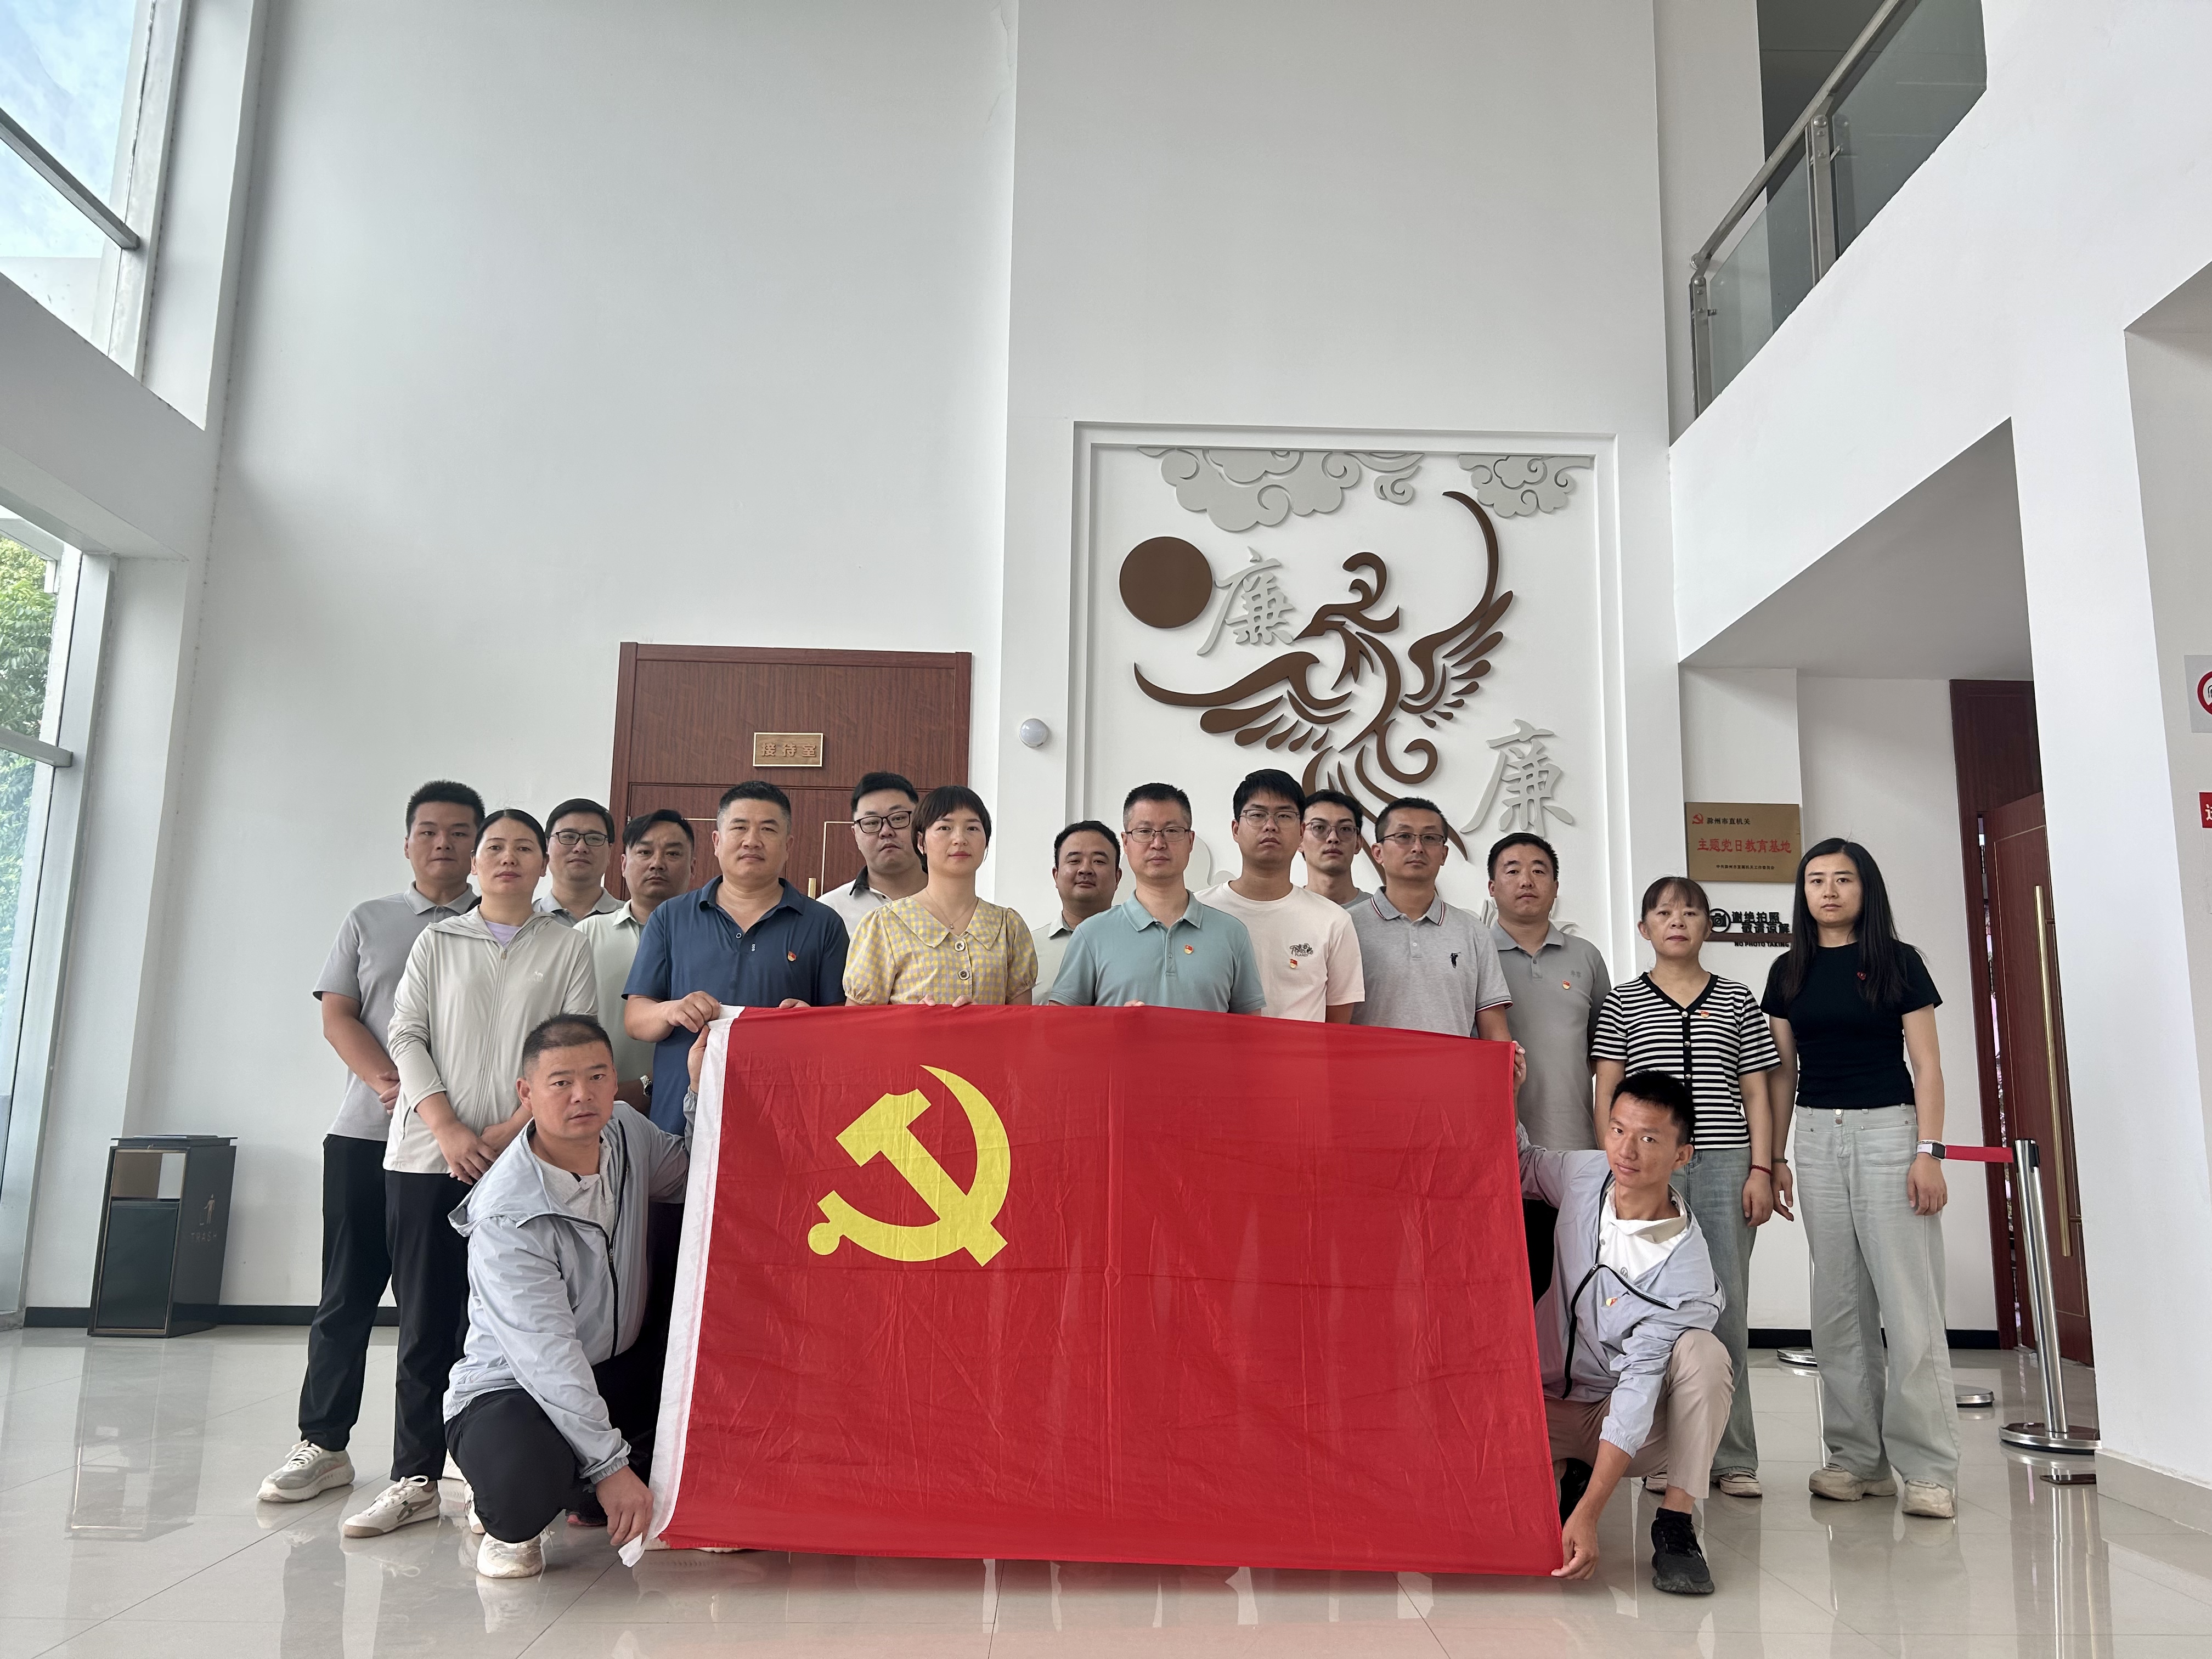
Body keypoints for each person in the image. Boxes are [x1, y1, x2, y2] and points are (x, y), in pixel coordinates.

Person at [347, 809, 598, 1539]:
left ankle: (485, 1481)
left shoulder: (567, 945)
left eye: (524, 847)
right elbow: (406, 1034)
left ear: (544, 864)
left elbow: (573, 1045)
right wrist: (449, 1129)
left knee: (509, 1324)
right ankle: (414, 1478)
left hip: (523, 1158)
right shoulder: (439, 940)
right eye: (495, 847)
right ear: (476, 863)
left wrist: (510, 1130)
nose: (509, 858)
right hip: (429, 1156)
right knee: (425, 1322)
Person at [258, 781, 484, 1507]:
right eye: (429, 831)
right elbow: (339, 1016)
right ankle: (323, 1443)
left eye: (459, 832)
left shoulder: (499, 923)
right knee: (347, 1294)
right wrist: (396, 1084)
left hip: (458, 1145)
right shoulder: (370, 919)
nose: (444, 843)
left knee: (443, 1306)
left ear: (478, 845)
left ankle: (437, 1456)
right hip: (366, 1131)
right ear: (408, 842)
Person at [444, 1013, 700, 1579]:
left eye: (597, 1076)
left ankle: (583, 1479)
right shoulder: (507, 1215)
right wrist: (609, 1468)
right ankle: (494, 1491)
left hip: (612, 1366)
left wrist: (702, 1090)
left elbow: (694, 1177)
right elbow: (547, 1359)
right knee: (523, 1487)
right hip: (514, 1387)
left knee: (697, 1435)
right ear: (526, 1093)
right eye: (561, 1082)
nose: (582, 1095)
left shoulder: (627, 1130)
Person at [1762, 838, 1958, 1520]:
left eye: (1843, 879)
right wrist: (1777, 1156)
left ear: (1865, 888)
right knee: (1838, 1306)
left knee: (1908, 1304)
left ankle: (1929, 1470)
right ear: (1803, 893)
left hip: (1889, 1133)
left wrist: (1928, 1151)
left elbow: (1927, 1065)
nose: (1829, 891)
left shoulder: (1899, 962)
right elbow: (1783, 1073)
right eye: (1816, 880)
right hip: (1817, 1136)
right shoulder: (1789, 970)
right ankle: (1857, 1460)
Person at [1593, 875, 1780, 1499]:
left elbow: (1756, 1092)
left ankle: (1734, 1456)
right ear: (1644, 927)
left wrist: (1761, 1168)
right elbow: (1608, 1093)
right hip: (1649, 1170)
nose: (1678, 921)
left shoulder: (1737, 999)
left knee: (1727, 1308)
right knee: (1653, 1313)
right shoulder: (1622, 1001)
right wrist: (1616, 1167)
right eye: (1665, 912)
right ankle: (1665, 1454)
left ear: (1708, 926)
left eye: (1692, 912)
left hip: (1725, 1164)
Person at [1527, 1070, 1731, 1596]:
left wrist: (1592, 1514)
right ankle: (1567, 1472)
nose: (1626, 1151)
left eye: (1648, 1139)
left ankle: (1676, 1523)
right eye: (1618, 1130)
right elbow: (1522, 1164)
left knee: (1705, 1355)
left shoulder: (1685, 1273)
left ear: (1682, 1155)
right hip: (1541, 1402)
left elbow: (1638, 1392)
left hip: (1622, 1418)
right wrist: (1503, 1092)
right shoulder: (1586, 1174)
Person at [624, 780, 848, 1120]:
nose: (751, 841)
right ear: (717, 841)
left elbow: (842, 1027)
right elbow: (636, 1019)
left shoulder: (823, 923)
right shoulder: (670, 917)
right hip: (680, 1116)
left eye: (768, 829)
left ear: (788, 845)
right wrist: (672, 1010)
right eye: (739, 827)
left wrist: (810, 1022)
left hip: (782, 1117)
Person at [1488, 832, 1609, 1303]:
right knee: (1505, 1287)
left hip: (1574, 1149)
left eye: (1539, 870)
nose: (1527, 880)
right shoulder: (1475, 950)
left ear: (1556, 887)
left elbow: (1604, 1053)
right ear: (1492, 886)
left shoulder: (1586, 957)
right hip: (1499, 1152)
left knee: (1573, 1290)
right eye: (1513, 870)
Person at [1046, 783, 1265, 1014]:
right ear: (1126, 842)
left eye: (1172, 831)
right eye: (1144, 831)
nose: (1158, 844)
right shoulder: (1091, 934)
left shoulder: (1232, 934)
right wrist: (1111, 1024)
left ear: (1190, 841)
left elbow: (1251, 1029)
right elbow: (1059, 1027)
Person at [845, 786, 1038, 1005]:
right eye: (945, 827)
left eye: (972, 828)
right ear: (921, 842)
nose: (960, 839)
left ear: (986, 842)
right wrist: (911, 1020)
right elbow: (857, 1023)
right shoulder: (884, 925)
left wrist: (985, 1019)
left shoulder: (1009, 927)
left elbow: (1021, 1022)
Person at [1349, 798, 1515, 1050]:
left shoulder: (1474, 933)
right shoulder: (1347, 927)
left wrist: (1506, 1068)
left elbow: (1494, 1033)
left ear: (1444, 854)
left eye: (1430, 838)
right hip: (1368, 1074)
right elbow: (1332, 1023)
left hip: (1452, 1075)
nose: (1417, 847)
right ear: (1378, 852)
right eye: (1404, 836)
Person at [1201, 769, 1363, 1022]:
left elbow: (1337, 1026)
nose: (1270, 826)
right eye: (1257, 815)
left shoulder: (1333, 920)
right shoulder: (1199, 910)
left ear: (1301, 832)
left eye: (1284, 816)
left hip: (1302, 1051)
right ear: (1236, 829)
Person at [575, 810, 694, 1105]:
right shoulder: (587, 934)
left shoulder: (710, 938)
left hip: (687, 1097)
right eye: (645, 852)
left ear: (693, 866)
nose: (657, 863)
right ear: (623, 864)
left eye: (673, 853)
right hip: (596, 1102)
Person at [819, 771, 927, 929]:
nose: (886, 831)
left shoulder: (956, 901)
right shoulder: (828, 912)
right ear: (856, 835)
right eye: (871, 823)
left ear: (921, 825)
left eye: (898, 818)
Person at [1031, 821, 1120, 1003]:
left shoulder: (1138, 943)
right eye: (1074, 861)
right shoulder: (1027, 949)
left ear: (1117, 877)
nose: (1085, 869)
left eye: (1099, 861)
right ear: (1056, 875)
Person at [537, 798, 624, 924]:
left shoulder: (633, 920)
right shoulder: (523, 920)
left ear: (609, 852)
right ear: (546, 847)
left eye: (594, 838)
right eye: (568, 836)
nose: (581, 848)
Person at [1300, 789, 1371, 906]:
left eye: (1345, 829)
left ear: (1358, 843)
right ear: (1299, 839)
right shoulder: (1281, 913)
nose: (1333, 838)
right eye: (1319, 827)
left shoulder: (1382, 913)